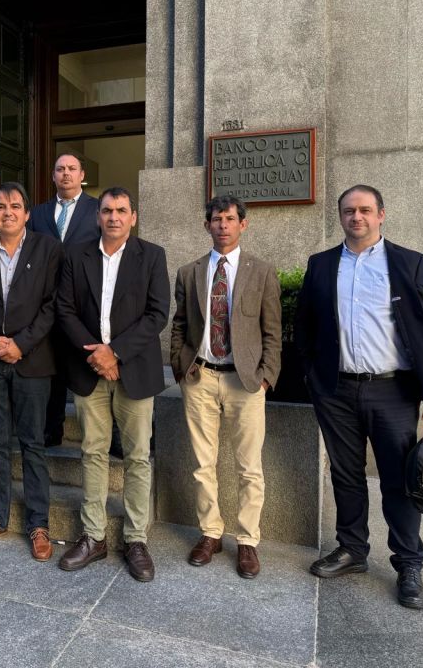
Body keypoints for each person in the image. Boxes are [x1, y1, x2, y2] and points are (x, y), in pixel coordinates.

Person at [296, 184, 423, 610]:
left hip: (393, 390)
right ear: (341, 216)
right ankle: (352, 549)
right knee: (346, 474)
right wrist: (312, 376)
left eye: (365, 210)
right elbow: (305, 325)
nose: (356, 217)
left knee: (399, 480)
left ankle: (409, 564)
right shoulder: (322, 264)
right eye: (349, 211)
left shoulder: (407, 262)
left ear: (381, 214)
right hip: (337, 390)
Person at [55, 187, 170, 582]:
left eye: (122, 211)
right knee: (93, 452)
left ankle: (135, 539)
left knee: (137, 456)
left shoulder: (151, 256)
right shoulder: (77, 255)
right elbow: (65, 309)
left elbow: (157, 314)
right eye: (107, 210)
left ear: (133, 217)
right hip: (89, 370)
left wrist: (115, 353)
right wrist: (96, 355)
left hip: (133, 372)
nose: (114, 217)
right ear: (97, 216)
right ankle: (94, 536)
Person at [170, 195, 281, 579]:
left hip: (245, 382)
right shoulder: (189, 272)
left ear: (242, 224)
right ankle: (211, 533)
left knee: (249, 467)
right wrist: (180, 367)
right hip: (200, 378)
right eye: (216, 219)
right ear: (207, 225)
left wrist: (266, 376)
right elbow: (180, 324)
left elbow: (272, 331)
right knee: (203, 464)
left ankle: (247, 540)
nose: (223, 225)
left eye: (230, 219)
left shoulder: (261, 272)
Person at [0, 182, 62, 561]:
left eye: (15, 206)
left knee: (32, 443)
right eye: (0, 207)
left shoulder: (48, 249)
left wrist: (20, 343)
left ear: (27, 213)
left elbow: (52, 305)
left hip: (32, 361)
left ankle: (38, 524)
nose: (7, 212)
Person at [28, 154, 100, 447]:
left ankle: (105, 436)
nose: (66, 174)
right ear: (53, 175)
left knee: (89, 366)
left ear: (82, 174)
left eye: (72, 169)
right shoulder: (38, 213)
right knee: (52, 369)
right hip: (46, 303)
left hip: (85, 303)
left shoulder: (98, 209)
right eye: (60, 169)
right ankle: (52, 429)